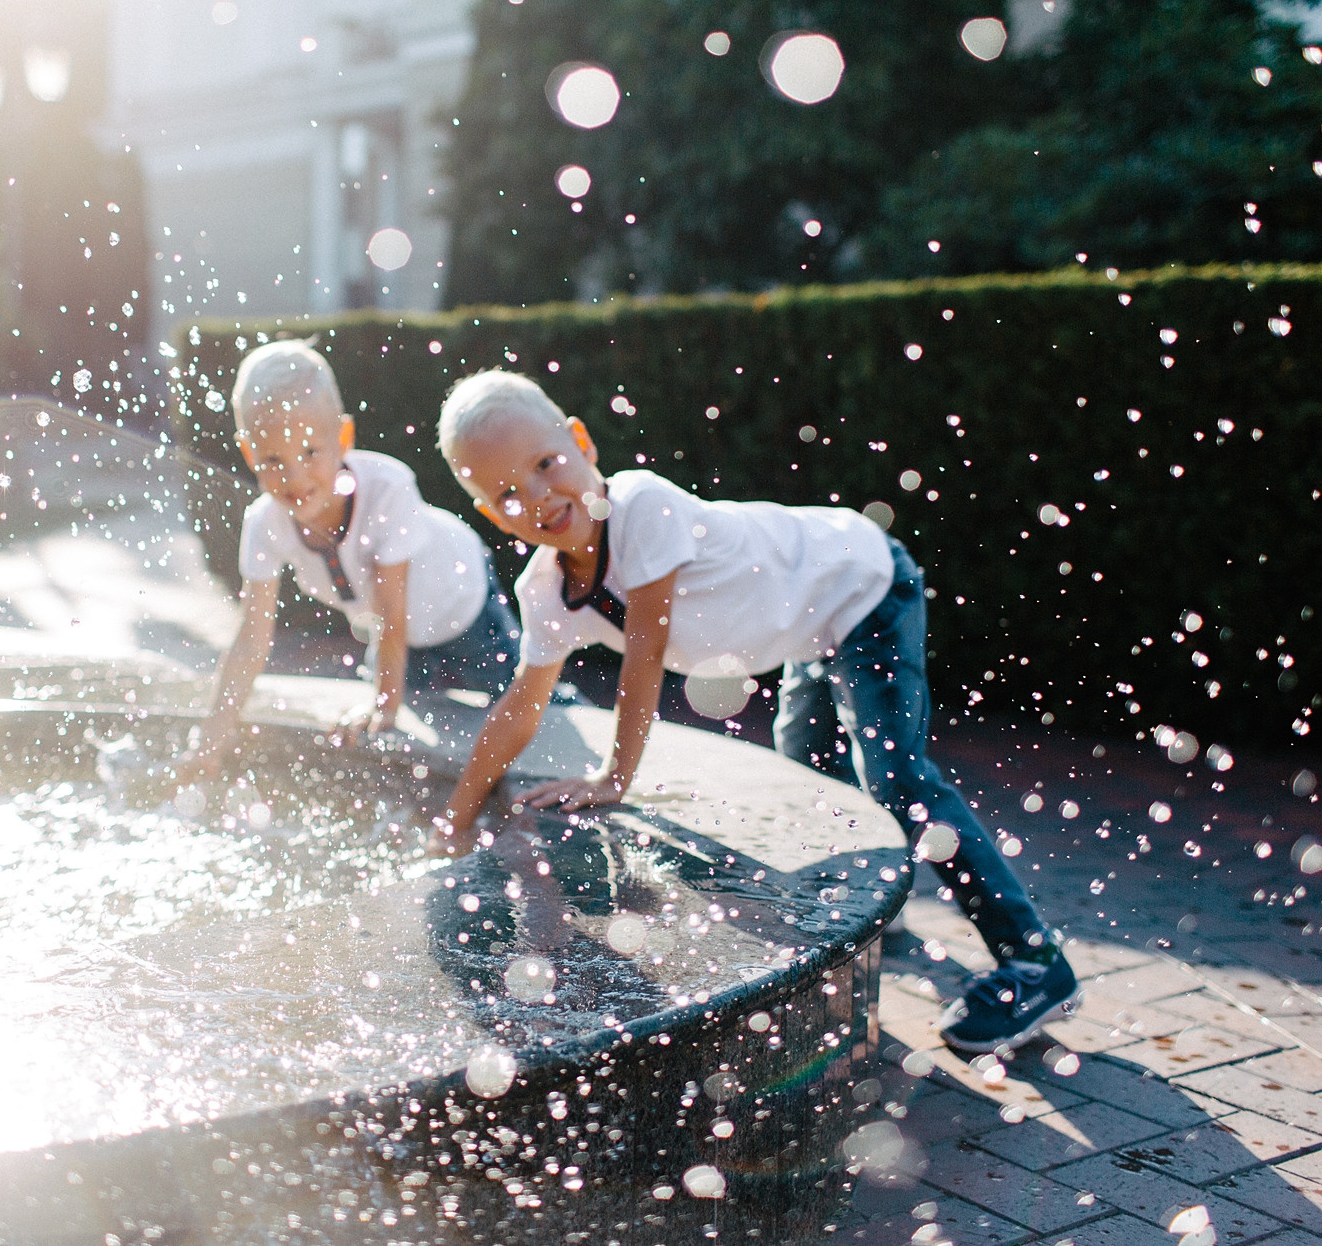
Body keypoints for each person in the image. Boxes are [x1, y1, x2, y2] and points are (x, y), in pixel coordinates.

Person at [428, 370, 1079, 1054]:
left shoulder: (642, 507)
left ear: (582, 442)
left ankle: (1036, 963)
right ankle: (878, 916)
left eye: (544, 464)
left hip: (861, 588)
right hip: (807, 625)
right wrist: (456, 817)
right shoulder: (548, 589)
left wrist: (613, 777)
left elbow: (643, 656)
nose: (536, 495)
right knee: (811, 778)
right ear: (490, 515)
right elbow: (520, 708)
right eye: (506, 493)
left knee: (896, 779)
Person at [175, 340, 519, 781]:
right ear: (248, 453)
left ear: (342, 438)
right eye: (272, 460)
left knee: (522, 704)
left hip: (463, 606)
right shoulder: (265, 521)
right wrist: (210, 743)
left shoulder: (387, 489)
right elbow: (250, 639)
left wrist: (383, 706)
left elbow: (391, 613)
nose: (294, 477)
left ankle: (569, 702)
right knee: (406, 746)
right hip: (398, 633)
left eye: (310, 452)